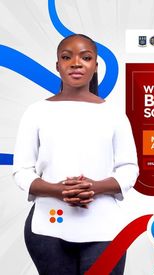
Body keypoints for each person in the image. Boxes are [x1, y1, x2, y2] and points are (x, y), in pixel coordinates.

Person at [13, 34, 139, 274]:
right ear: (57, 65)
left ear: (95, 66)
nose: (76, 63)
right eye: (66, 57)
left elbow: (129, 168)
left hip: (103, 226)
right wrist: (58, 191)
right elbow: (21, 170)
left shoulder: (114, 115)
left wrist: (95, 187)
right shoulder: (36, 112)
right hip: (48, 225)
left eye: (86, 57)